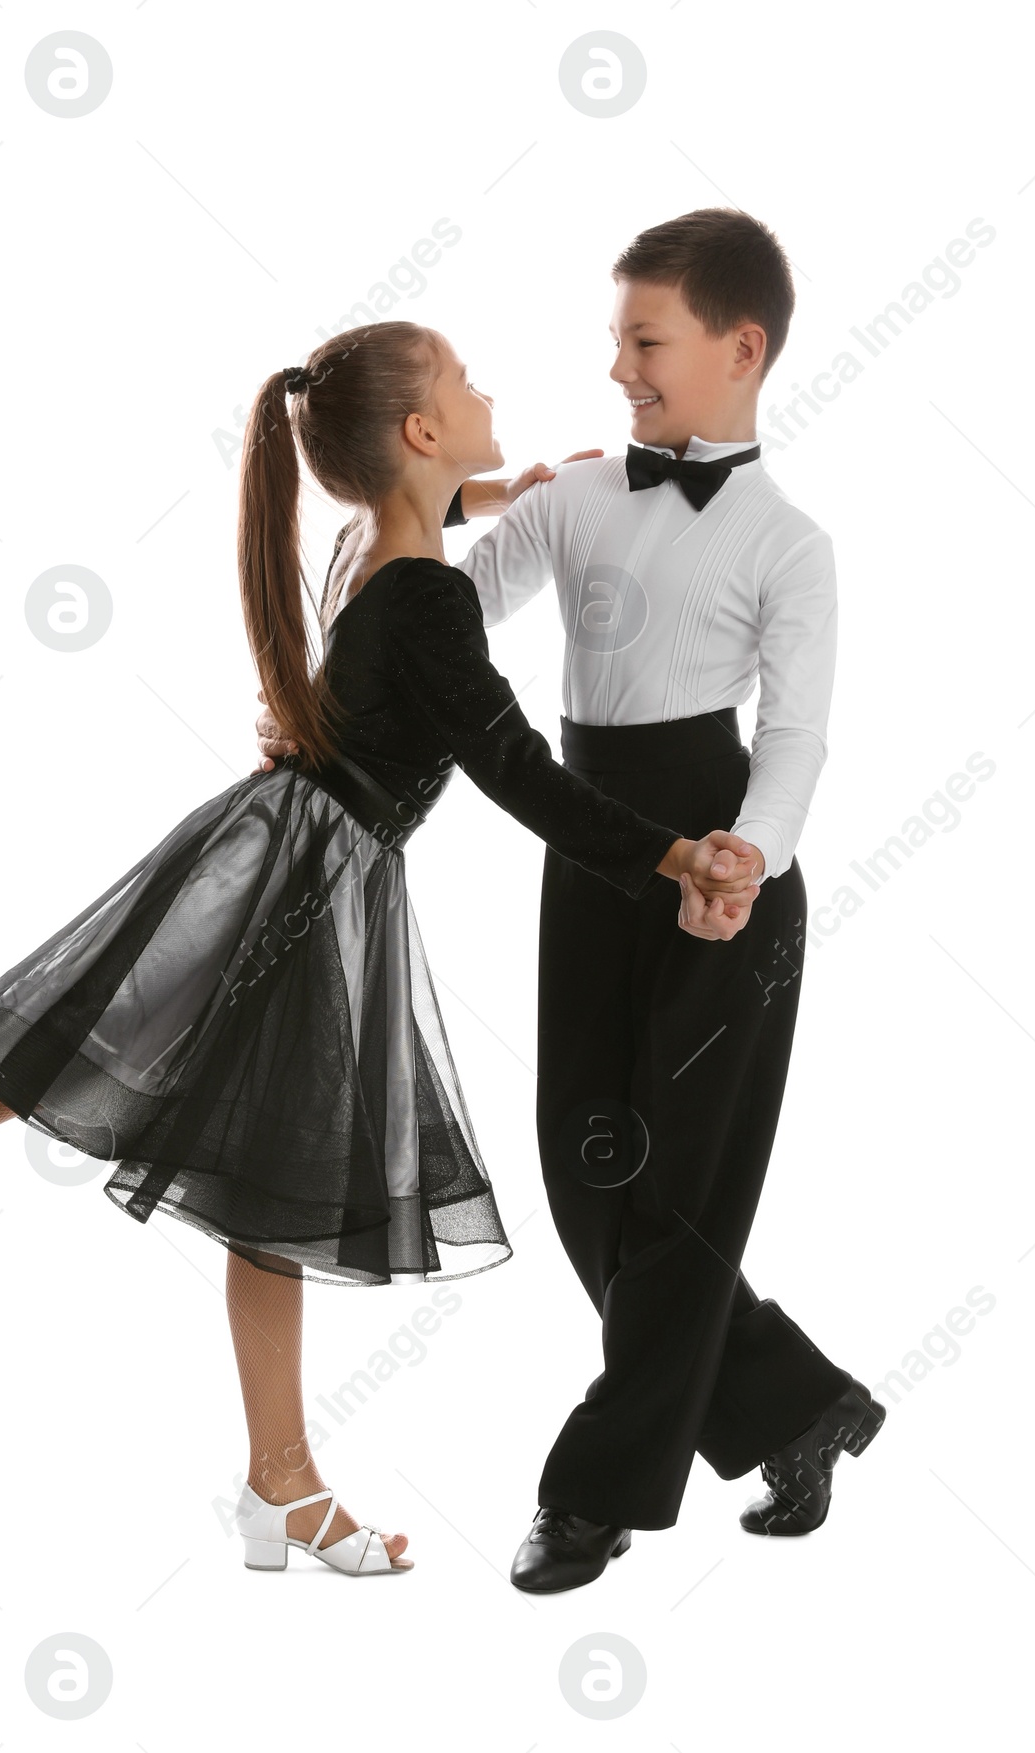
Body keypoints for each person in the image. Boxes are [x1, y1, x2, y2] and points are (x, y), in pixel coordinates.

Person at [0, 319, 759, 1581]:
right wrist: (675, 855)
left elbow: (429, 510)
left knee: (265, 1172)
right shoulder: (424, 597)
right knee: (42, 1062)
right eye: (464, 383)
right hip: (293, 878)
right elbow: (521, 774)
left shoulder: (375, 540)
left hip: (297, 859)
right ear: (415, 433)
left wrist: (499, 486)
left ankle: (279, 1479)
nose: (486, 389)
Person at [259, 212, 886, 1594]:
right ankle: (796, 1402)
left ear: (741, 348)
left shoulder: (795, 546)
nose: (615, 366)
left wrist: (749, 861)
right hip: (591, 847)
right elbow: (435, 611)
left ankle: (593, 1490)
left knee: (681, 1195)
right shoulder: (581, 496)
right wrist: (476, 507)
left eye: (642, 340)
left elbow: (796, 736)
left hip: (723, 862)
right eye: (615, 338)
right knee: (589, 1174)